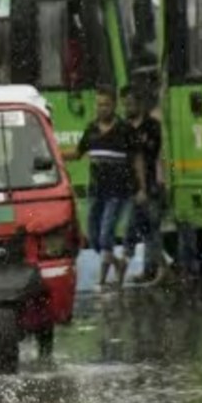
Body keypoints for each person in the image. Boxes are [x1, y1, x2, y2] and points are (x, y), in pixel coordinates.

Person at [69, 86, 147, 289]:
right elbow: (77, 153)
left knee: (106, 234)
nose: (101, 108)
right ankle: (118, 263)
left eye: (105, 104)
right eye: (99, 104)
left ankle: (104, 279)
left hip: (118, 191)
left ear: (113, 106)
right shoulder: (91, 128)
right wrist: (51, 154)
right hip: (96, 191)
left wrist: (141, 188)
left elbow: (138, 158)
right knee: (93, 238)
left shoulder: (124, 130)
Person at [121, 86, 167, 285]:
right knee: (145, 229)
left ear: (140, 104)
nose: (127, 108)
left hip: (151, 185)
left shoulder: (152, 126)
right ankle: (153, 270)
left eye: (130, 104)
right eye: (125, 104)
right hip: (133, 187)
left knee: (148, 228)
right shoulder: (125, 128)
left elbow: (153, 154)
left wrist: (148, 186)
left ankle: (156, 269)